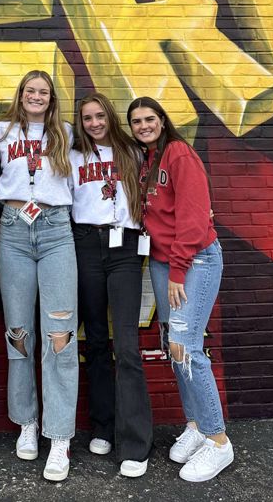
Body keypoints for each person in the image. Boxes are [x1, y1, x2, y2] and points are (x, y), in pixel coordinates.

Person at [128, 96, 234, 482]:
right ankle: (196, 426)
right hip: (163, 260)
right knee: (174, 349)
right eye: (136, 121)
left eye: (149, 118)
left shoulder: (178, 154)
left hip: (194, 260)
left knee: (187, 348)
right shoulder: (149, 159)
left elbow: (192, 216)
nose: (143, 125)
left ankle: (218, 441)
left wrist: (178, 270)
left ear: (162, 120)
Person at [0, 70, 77, 482]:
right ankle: (27, 421)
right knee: (19, 331)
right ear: (21, 94)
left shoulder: (66, 133)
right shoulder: (1, 131)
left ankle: (59, 436)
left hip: (56, 229)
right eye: (30, 90)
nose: (36, 96)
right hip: (13, 230)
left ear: (51, 97)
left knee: (60, 333)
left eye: (43, 92)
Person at [70, 93, 153, 478]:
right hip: (86, 243)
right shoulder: (72, 156)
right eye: (87, 118)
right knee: (96, 341)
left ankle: (135, 442)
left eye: (100, 115)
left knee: (127, 345)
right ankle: (103, 426)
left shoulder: (133, 152)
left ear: (110, 116)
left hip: (126, 248)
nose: (94, 123)